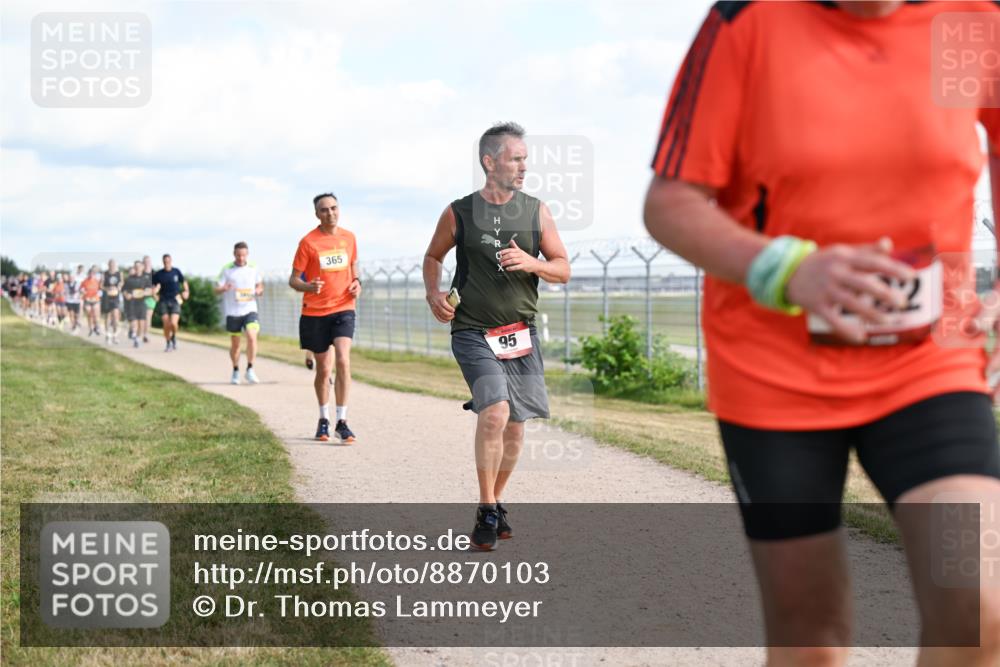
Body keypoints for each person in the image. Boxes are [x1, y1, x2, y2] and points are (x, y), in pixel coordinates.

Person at [643, 2, 1000, 665]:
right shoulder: (745, 23)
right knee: (811, 639)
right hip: (775, 373)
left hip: (931, 362)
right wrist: (789, 268)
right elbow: (670, 203)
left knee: (979, 604)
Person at [422, 122, 570, 551]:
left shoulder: (536, 211)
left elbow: (563, 267)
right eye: (516, 158)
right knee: (495, 412)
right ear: (490, 162)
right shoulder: (458, 212)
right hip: (472, 331)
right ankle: (487, 509)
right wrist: (434, 292)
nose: (524, 167)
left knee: (516, 428)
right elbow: (433, 256)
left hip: (521, 335)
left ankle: (495, 499)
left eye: (525, 159)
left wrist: (533, 262)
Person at [288, 193, 360, 443]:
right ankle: (323, 418)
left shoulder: (349, 238)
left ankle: (342, 421)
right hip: (315, 312)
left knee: (342, 359)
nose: (330, 213)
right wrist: (308, 287)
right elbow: (293, 279)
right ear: (317, 214)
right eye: (324, 210)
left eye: (333, 208)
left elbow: (353, 267)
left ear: (339, 209)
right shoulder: (308, 242)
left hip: (343, 307)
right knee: (324, 368)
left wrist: (357, 283)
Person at [216, 241, 264, 384]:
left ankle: (250, 369)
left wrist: (259, 290)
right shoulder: (227, 269)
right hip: (233, 311)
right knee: (236, 345)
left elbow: (259, 285)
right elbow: (216, 289)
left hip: (249, 309)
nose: (241, 258)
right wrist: (224, 288)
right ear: (234, 254)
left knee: (251, 336)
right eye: (238, 255)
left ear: (247, 254)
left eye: (243, 255)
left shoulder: (253, 268)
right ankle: (236, 370)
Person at [152, 254, 189, 352]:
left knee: (173, 323)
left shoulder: (176, 272)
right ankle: (168, 343)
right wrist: (154, 294)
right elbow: (153, 287)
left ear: (171, 261)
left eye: (168, 261)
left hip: (175, 300)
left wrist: (186, 291)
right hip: (163, 300)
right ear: (163, 262)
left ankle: (174, 336)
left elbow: (184, 282)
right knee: (166, 323)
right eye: (165, 261)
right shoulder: (158, 274)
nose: (166, 263)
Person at [122, 260, 151, 348]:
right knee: (134, 323)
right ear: (134, 268)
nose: (137, 268)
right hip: (132, 304)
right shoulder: (129, 279)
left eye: (139, 266)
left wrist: (144, 293)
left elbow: (150, 291)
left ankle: (137, 338)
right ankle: (134, 334)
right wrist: (127, 295)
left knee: (141, 324)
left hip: (142, 304)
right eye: (136, 267)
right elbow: (124, 290)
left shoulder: (146, 279)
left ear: (142, 268)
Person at [100, 259, 123, 344]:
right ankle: (107, 336)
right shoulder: (105, 274)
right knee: (108, 317)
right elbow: (101, 285)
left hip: (116, 297)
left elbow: (121, 282)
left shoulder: (119, 274)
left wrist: (119, 286)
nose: (112, 266)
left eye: (113, 264)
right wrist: (107, 288)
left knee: (116, 316)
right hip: (107, 297)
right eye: (111, 264)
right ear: (108, 265)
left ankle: (115, 336)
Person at [80, 267, 102, 336]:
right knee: (89, 315)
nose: (91, 274)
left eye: (93, 273)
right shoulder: (85, 281)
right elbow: (81, 290)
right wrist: (83, 292)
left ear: (94, 274)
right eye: (90, 273)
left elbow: (100, 291)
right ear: (88, 274)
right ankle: (91, 329)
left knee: (95, 315)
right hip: (87, 300)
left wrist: (97, 296)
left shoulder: (97, 281)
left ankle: (97, 327)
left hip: (95, 300)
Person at [141, 255, 155, 343]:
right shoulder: (140, 273)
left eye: (148, 262)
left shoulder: (154, 274)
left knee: (148, 316)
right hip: (140, 298)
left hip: (151, 298)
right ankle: (138, 333)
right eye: (145, 262)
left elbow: (158, 285)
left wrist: (153, 290)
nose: (147, 263)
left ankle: (146, 334)